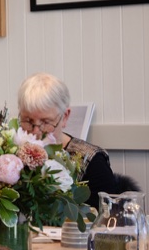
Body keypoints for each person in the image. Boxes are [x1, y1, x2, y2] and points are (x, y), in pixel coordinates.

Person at [17, 72, 118, 207]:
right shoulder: (10, 155)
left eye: (46, 121)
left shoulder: (92, 162)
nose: (36, 131)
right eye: (28, 121)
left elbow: (107, 221)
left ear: (65, 117)